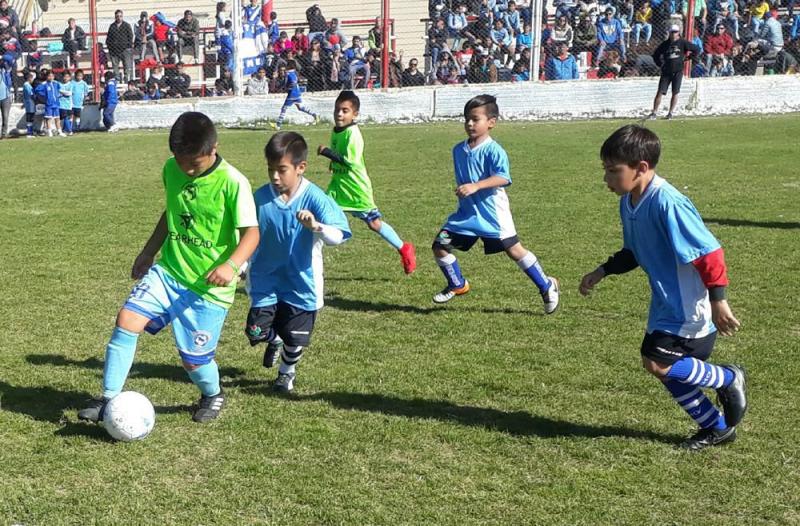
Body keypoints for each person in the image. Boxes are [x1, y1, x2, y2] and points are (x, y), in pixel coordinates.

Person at [78, 111, 259, 424]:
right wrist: (149, 251)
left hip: (209, 287)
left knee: (194, 361)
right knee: (127, 320)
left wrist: (231, 265)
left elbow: (252, 233)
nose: (186, 169)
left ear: (213, 148)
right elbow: (171, 212)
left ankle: (213, 393)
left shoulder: (233, 182)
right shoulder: (171, 169)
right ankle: (107, 399)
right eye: (180, 161)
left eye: (194, 164)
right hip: (169, 272)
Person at [579, 124, 747, 451]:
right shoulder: (629, 202)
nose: (606, 178)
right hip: (666, 304)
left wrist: (719, 301)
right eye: (605, 170)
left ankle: (729, 378)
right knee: (666, 371)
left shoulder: (668, 203)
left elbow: (709, 253)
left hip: (689, 306)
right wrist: (602, 271)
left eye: (613, 170)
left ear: (641, 167)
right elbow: (635, 251)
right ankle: (718, 428)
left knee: (657, 362)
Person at [431, 94, 559, 310]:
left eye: (475, 119)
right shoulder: (458, 149)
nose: (469, 124)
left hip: (493, 215)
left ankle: (546, 285)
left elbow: (503, 177)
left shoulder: (494, 150)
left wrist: (475, 186)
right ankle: (457, 284)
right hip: (465, 216)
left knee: (514, 250)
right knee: (440, 245)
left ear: (491, 122)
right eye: (466, 119)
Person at [245, 131, 351, 393]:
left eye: (281, 170)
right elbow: (248, 234)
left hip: (301, 283)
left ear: (300, 167)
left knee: (295, 339)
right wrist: (242, 264)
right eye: (270, 169)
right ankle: (275, 339)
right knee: (256, 332)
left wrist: (316, 227)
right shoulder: (260, 198)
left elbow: (339, 236)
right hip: (265, 278)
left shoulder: (315, 197)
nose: (274, 176)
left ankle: (286, 373)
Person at [317, 91, 417, 274]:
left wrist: (327, 152)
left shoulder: (353, 134)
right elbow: (339, 152)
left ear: (355, 114)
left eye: (345, 111)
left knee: (374, 224)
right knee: (319, 213)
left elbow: (350, 161)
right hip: (338, 186)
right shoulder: (337, 130)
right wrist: (332, 162)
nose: (339, 114)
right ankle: (306, 260)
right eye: (337, 109)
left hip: (356, 188)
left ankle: (404, 248)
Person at [649, 24, 700, 120]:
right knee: (660, 92)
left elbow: (697, 49)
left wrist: (689, 58)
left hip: (678, 71)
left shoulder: (683, 42)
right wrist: (660, 64)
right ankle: (654, 112)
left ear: (678, 33)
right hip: (666, 72)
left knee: (675, 92)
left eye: (675, 32)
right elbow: (656, 55)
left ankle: (670, 113)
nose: (673, 34)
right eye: (672, 32)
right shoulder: (665, 44)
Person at [269, 59, 317, 130]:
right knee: (300, 108)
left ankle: (278, 125)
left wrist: (284, 87)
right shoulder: (294, 73)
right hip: (297, 93)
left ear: (288, 66)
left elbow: (289, 82)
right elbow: (294, 81)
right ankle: (314, 115)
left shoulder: (288, 73)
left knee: (284, 108)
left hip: (292, 94)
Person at [107, 10, 134, 83]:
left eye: (120, 16)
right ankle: (117, 81)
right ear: (115, 17)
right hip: (114, 51)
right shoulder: (112, 26)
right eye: (117, 16)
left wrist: (128, 47)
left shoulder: (126, 25)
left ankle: (127, 81)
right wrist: (110, 48)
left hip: (125, 50)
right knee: (115, 67)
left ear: (122, 16)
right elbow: (108, 38)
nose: (119, 17)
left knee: (127, 66)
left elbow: (130, 37)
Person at [35, 69, 63, 137]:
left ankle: (60, 131)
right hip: (49, 104)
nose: (51, 77)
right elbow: (37, 90)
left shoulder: (56, 83)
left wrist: (59, 95)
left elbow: (61, 89)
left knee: (57, 118)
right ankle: (49, 132)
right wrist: (45, 96)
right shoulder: (44, 84)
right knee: (49, 118)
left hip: (56, 104)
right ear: (46, 76)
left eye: (52, 76)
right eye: (49, 76)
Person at [58, 71, 73, 135]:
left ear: (70, 77)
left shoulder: (71, 84)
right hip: (61, 104)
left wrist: (61, 91)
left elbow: (69, 93)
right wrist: (62, 93)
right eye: (64, 76)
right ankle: (69, 131)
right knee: (65, 117)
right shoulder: (59, 84)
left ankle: (64, 130)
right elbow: (57, 93)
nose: (65, 78)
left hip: (69, 104)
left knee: (68, 117)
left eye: (67, 77)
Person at [22, 70, 35, 138]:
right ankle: (29, 133)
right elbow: (30, 94)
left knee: (31, 118)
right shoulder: (26, 85)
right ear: (29, 78)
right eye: (32, 78)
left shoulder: (28, 85)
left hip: (30, 104)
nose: (33, 80)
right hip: (29, 104)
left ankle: (31, 132)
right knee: (29, 118)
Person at [0, 55, 10, 139]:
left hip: (5, 97)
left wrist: (7, 72)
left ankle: (4, 134)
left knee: (5, 116)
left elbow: (9, 83)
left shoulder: (4, 71)